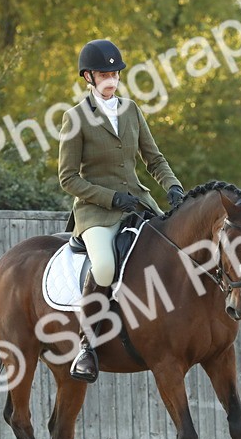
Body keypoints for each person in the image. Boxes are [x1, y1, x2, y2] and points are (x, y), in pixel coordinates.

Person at [58, 39, 184, 383]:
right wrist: (111, 199)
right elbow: (67, 178)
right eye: (103, 72)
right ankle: (87, 346)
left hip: (139, 203)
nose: (110, 77)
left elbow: (153, 158)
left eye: (114, 72)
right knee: (104, 266)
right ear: (89, 76)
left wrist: (172, 185)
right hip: (96, 212)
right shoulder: (75, 118)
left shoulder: (131, 110)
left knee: (173, 250)